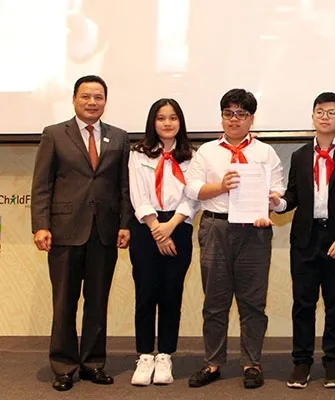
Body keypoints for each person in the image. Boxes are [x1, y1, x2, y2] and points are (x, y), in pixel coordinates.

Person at [30, 75, 132, 391]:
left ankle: (92, 364)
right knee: (64, 302)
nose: (92, 102)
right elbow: (42, 185)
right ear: (74, 98)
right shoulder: (54, 135)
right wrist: (41, 225)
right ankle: (63, 365)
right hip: (63, 231)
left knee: (97, 301)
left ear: (105, 101)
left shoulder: (119, 137)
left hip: (104, 231)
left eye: (98, 97)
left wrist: (125, 224)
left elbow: (124, 187)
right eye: (86, 96)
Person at [184, 88, 285, 389]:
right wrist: (220, 187)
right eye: (228, 113)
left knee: (253, 303)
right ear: (222, 117)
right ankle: (213, 362)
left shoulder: (265, 152)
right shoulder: (206, 151)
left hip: (254, 231)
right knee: (215, 302)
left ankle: (251, 363)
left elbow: (279, 196)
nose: (234, 119)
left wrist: (272, 202)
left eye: (241, 114)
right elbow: (192, 190)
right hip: (216, 229)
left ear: (251, 119)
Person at [270, 92, 335, 389]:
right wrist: (279, 204)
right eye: (320, 112)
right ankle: (301, 363)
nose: (325, 117)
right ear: (312, 116)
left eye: (332, 112)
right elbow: (293, 196)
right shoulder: (300, 156)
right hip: (305, 239)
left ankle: (334, 363)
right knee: (303, 303)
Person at [128, 98, 198, 386]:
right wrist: (157, 228)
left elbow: (192, 196)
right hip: (147, 227)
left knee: (172, 293)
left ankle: (165, 354)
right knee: (146, 293)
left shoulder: (192, 156)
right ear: (152, 122)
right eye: (161, 118)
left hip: (178, 226)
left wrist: (170, 227)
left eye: (172, 118)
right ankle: (145, 355)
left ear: (180, 122)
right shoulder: (138, 154)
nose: (167, 123)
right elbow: (137, 194)